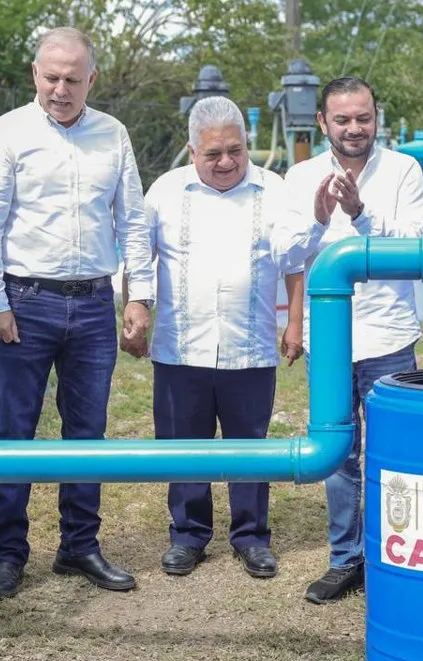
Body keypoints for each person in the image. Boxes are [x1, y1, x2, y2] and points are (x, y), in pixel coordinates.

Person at [0, 26, 154, 598]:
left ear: (91, 79)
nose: (60, 89)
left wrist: (139, 295)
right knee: (13, 431)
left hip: (95, 302)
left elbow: (133, 219)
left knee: (87, 431)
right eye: (51, 77)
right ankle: (9, 553)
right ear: (35, 74)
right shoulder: (6, 133)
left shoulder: (113, 134)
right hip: (24, 302)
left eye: (72, 79)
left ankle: (79, 546)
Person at [279, 76, 423, 604]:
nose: (354, 128)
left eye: (363, 118)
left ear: (376, 117)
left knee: (395, 454)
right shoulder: (300, 176)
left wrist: (362, 213)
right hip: (329, 342)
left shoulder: (405, 170)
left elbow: (415, 248)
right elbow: (284, 254)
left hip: (389, 337)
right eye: (342, 119)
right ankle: (346, 559)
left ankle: (396, 555)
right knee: (339, 454)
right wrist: (319, 219)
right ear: (323, 122)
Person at [142, 96, 304, 579]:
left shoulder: (273, 189)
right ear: (192, 149)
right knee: (182, 444)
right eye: (213, 154)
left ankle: (251, 536)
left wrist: (295, 322)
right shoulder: (165, 191)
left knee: (249, 444)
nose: (227, 162)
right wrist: (137, 308)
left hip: (249, 344)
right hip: (180, 345)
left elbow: (293, 262)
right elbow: (140, 255)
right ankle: (187, 535)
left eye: (235, 150)